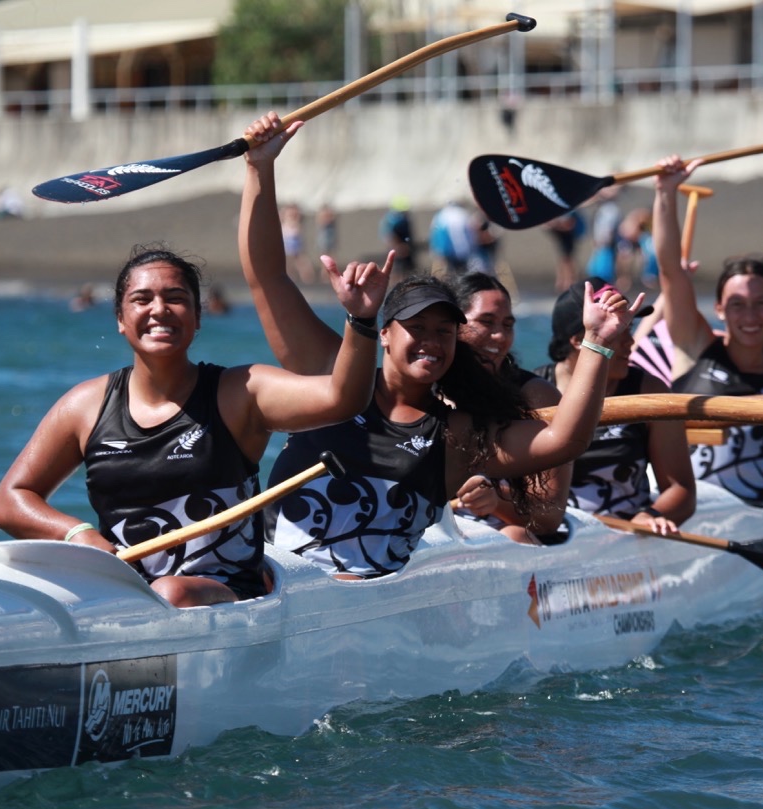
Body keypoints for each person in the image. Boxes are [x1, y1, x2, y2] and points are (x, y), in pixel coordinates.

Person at [240, 112, 642, 578]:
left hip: (363, 607)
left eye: (444, 331)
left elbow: (565, 439)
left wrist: (597, 343)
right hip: (278, 586)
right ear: (385, 333)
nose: (431, 342)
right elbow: (266, 278)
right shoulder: (329, 371)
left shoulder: (456, 435)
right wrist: (259, 168)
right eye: (417, 328)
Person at [0, 244, 384, 608]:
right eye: (141, 299)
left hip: (228, 594)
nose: (159, 309)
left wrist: (362, 319)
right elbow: (10, 500)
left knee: (170, 593)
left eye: (175, 298)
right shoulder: (85, 406)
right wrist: (76, 534)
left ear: (198, 318)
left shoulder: (239, 393)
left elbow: (343, 398)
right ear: (121, 320)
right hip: (123, 593)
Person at [652, 155, 763, 508]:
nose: (749, 315)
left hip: (754, 515)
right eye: (737, 304)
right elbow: (671, 270)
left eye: (761, 303)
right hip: (684, 508)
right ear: (719, 309)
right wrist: (665, 192)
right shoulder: (694, 345)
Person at [535, 283, 696, 534]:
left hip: (624, 537)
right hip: (554, 532)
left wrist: (651, 515)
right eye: (618, 330)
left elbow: (681, 490)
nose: (631, 342)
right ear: (579, 339)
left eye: (629, 328)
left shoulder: (648, 391)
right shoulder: (533, 393)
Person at [450, 271, 571, 543]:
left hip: (506, 537)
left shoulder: (538, 396)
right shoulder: (424, 387)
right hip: (439, 537)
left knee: (515, 535)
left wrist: (496, 504)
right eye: (486, 322)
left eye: (507, 325)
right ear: (453, 325)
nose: (500, 337)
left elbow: (549, 518)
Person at [429, 199, 476, 275]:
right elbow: (470, 233)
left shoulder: (440, 215)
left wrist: (436, 250)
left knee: (450, 273)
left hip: (447, 251)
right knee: (463, 272)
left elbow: (435, 234)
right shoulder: (462, 214)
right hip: (462, 250)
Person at [544, 210, 586, 293]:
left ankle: (570, 282)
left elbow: (568, 225)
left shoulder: (569, 211)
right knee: (564, 259)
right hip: (562, 234)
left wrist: (555, 225)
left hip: (568, 235)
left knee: (568, 259)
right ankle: (564, 282)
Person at [379, 197, 418, 275]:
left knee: (409, 270)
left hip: (406, 248)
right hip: (399, 249)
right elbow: (389, 235)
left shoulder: (402, 219)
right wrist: (398, 246)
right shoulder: (393, 220)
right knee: (399, 270)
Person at [279, 202, 315, 284]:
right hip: (287, 241)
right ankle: (289, 277)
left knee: (300, 260)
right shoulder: (285, 219)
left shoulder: (296, 220)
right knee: (287, 262)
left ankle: (307, 277)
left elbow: (297, 228)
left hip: (294, 241)